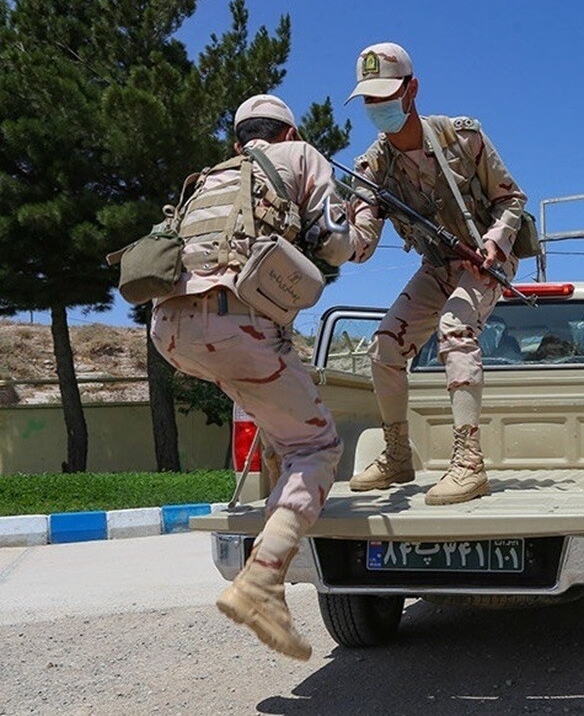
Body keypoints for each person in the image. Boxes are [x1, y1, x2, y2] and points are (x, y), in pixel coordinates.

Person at [150, 94, 377, 660]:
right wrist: (363, 222)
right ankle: (262, 581)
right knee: (318, 447)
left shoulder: (211, 177)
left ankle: (275, 537)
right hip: (236, 328)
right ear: (291, 131)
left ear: (238, 142)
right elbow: (334, 243)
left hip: (170, 331)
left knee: (278, 420)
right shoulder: (301, 155)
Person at [343, 42, 527, 505]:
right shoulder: (371, 168)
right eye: (369, 99)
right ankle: (397, 453)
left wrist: (494, 241)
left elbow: (512, 200)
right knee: (385, 345)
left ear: (412, 89)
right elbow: (360, 243)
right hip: (438, 266)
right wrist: (333, 233)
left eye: (386, 95)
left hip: (489, 259)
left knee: (455, 328)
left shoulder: (461, 138)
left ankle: (468, 464)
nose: (378, 107)